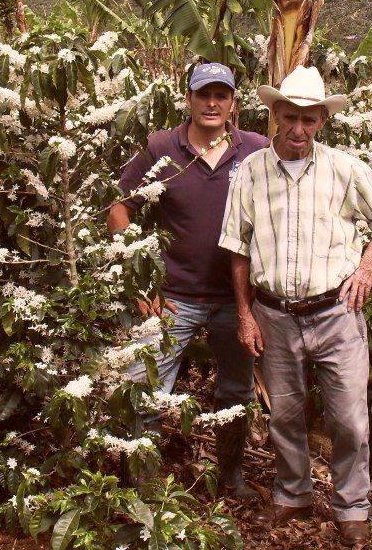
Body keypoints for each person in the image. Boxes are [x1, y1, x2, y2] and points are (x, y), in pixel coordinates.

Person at [218, 65, 372, 548]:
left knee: (348, 417)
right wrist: (244, 313)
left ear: (323, 121)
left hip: (335, 313)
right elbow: (237, 247)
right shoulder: (251, 172)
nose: (299, 129)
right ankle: (293, 494)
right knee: (283, 413)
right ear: (275, 114)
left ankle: (351, 505)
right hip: (275, 315)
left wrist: (366, 268)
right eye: (291, 117)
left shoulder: (344, 168)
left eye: (310, 120)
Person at [108, 62, 267, 499]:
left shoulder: (256, 149)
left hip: (236, 300)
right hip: (173, 297)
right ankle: (142, 486)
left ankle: (231, 477)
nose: (212, 103)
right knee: (144, 386)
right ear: (189, 100)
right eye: (203, 94)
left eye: (221, 95)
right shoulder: (162, 147)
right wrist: (139, 276)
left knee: (236, 392)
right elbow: (119, 208)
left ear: (234, 103)